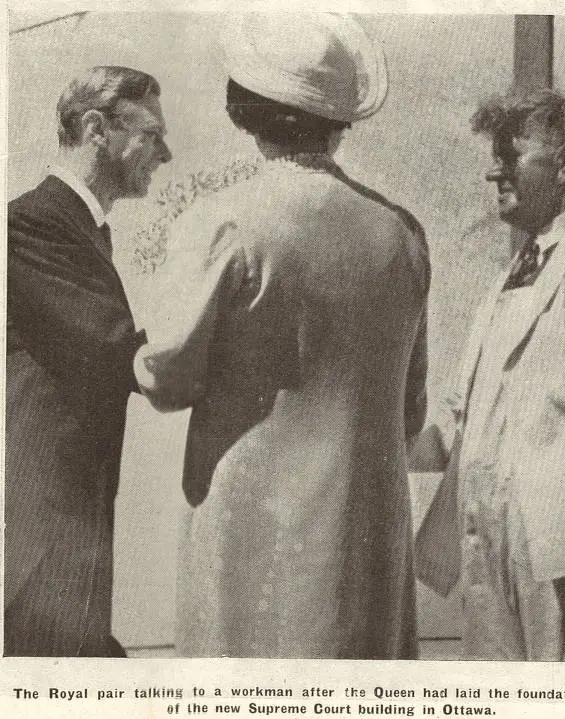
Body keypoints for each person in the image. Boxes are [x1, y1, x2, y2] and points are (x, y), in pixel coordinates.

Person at [135, 13, 429, 658]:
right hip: (363, 524)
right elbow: (411, 407)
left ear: (243, 109)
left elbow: (166, 375)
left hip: (250, 520)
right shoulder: (402, 232)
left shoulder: (225, 221)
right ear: (337, 120)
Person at [414, 88, 565, 661]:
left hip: (563, 558)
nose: (493, 172)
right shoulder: (521, 263)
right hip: (486, 542)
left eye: (511, 157)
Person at [5, 66, 172, 656]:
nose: (166, 153)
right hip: (41, 509)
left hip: (73, 506)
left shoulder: (79, 228)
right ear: (97, 129)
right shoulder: (28, 224)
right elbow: (114, 350)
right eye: (152, 134)